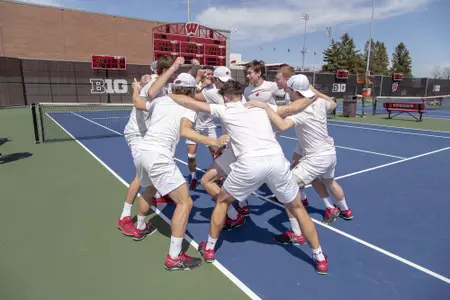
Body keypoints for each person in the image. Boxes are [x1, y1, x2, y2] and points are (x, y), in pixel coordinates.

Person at [168, 80, 329, 275]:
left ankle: (209, 248)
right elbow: (293, 106)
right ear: (241, 93)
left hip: (250, 163)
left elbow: (189, 102)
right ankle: (319, 257)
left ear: (226, 97)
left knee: (222, 202)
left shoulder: (223, 109)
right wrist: (313, 97)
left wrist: (167, 94)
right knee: (297, 208)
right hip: (277, 161)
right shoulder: (260, 107)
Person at [131, 63, 229, 270]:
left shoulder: (161, 101)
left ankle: (139, 228)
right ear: (192, 90)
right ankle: (174, 257)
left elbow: (139, 103)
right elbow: (185, 132)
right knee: (185, 203)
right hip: (159, 156)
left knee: (148, 189)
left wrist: (135, 89)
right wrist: (214, 141)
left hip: (143, 152)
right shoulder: (189, 107)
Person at [245, 74, 353, 242]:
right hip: (330, 153)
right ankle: (344, 210)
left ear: (295, 91)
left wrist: (265, 108)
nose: (287, 92)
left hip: (316, 158)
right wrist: (314, 91)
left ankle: (296, 232)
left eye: (289, 89)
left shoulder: (300, 111)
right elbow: (333, 103)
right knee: (328, 181)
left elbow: (281, 125)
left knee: (286, 188)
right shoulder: (321, 103)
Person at [118, 56, 176, 237]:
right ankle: (124, 217)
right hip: (137, 134)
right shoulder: (152, 83)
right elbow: (149, 94)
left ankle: (156, 195)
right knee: (140, 174)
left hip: (148, 134)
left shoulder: (163, 85)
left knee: (152, 170)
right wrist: (138, 88)